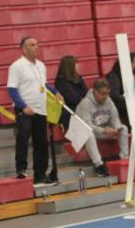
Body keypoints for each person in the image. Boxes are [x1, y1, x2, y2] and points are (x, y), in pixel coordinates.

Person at [7, 36, 57, 186]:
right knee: (23, 139)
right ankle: (21, 170)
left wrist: (55, 92)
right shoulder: (17, 66)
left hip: (41, 110)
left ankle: (40, 175)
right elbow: (12, 89)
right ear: (24, 49)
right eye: (32, 45)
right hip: (25, 110)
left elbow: (43, 85)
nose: (36, 47)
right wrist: (23, 106)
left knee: (41, 143)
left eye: (37, 44)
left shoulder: (41, 66)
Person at [74, 78, 129, 176]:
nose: (105, 97)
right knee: (88, 133)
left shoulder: (108, 100)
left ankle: (125, 158)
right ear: (95, 91)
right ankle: (98, 165)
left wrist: (117, 128)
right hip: (82, 133)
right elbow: (87, 125)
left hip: (101, 130)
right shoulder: (85, 103)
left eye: (107, 94)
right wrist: (104, 131)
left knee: (124, 129)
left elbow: (115, 117)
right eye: (103, 94)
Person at [54, 55, 88, 128]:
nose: (78, 66)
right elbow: (73, 99)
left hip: (81, 107)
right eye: (76, 63)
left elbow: (86, 93)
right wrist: (85, 101)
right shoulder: (61, 81)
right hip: (70, 111)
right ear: (69, 67)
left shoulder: (78, 78)